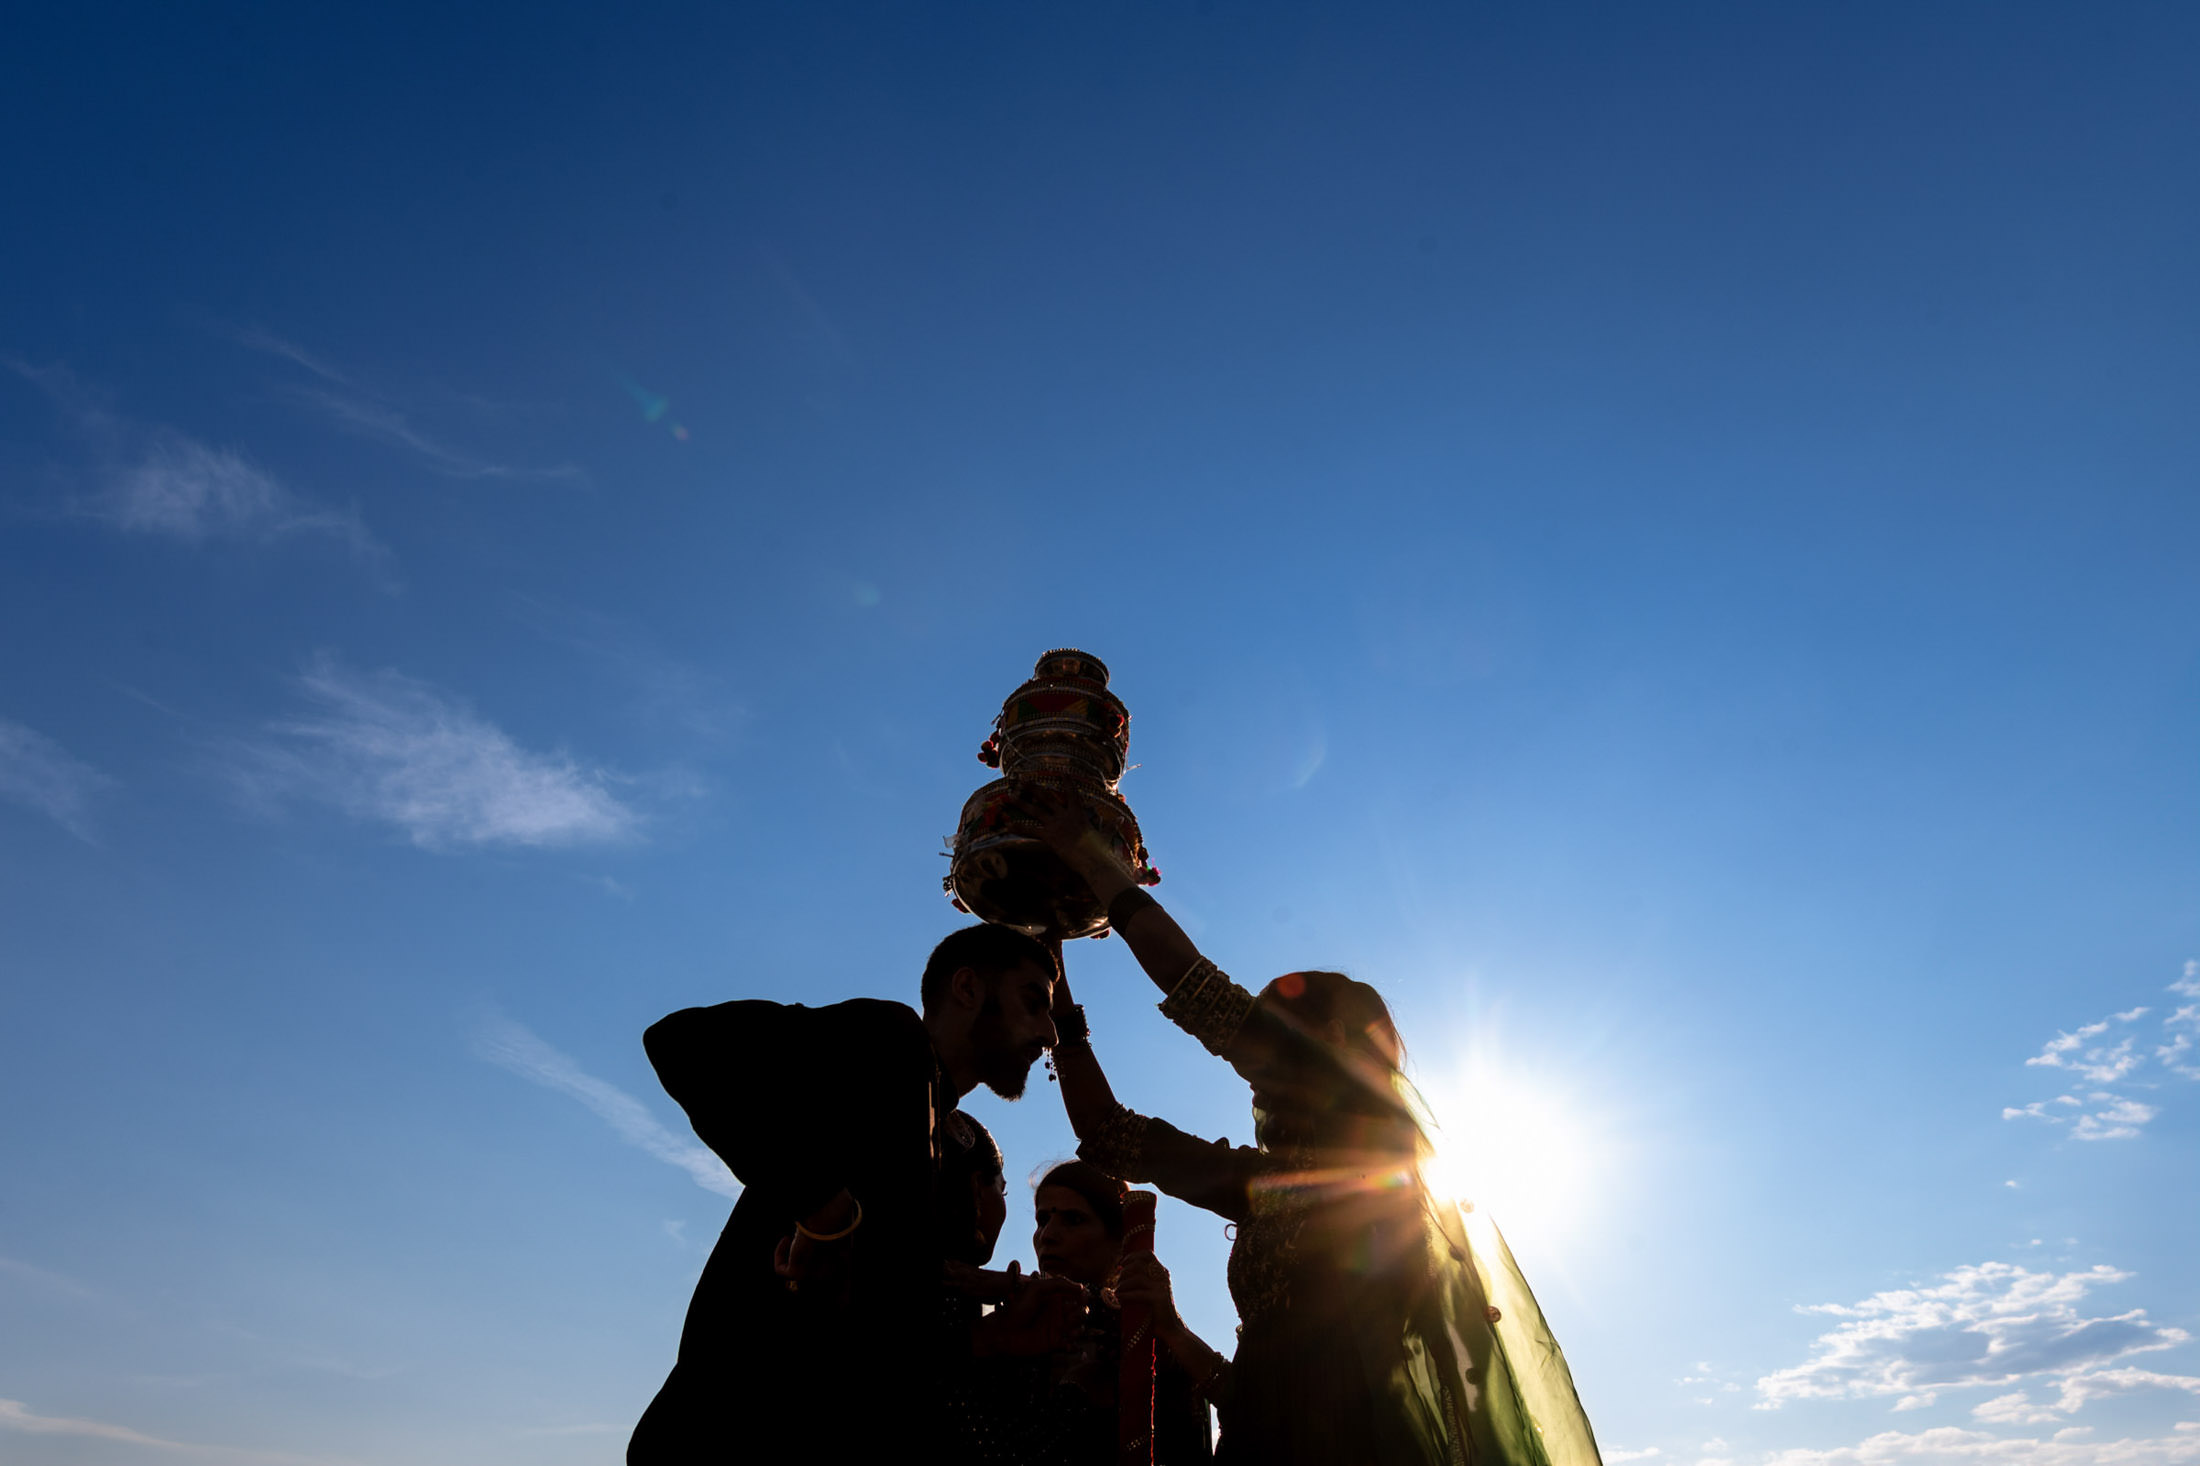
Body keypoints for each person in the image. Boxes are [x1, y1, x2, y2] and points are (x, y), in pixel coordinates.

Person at [1035, 796, 1603, 1466]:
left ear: (1332, 1041)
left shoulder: (1379, 1142)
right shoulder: (1268, 1183)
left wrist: (1100, 870)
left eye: (1274, 1027)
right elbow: (1110, 1136)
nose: (1254, 1054)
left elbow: (1202, 996)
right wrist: (1061, 1017)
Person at [627, 924, 1085, 1465]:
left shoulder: (936, 1148)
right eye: (1033, 1003)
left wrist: (990, 1339)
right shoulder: (891, 1041)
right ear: (967, 987)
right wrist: (823, 1209)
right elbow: (683, 1041)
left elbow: (871, 1351)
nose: (1049, 1036)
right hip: (719, 1433)